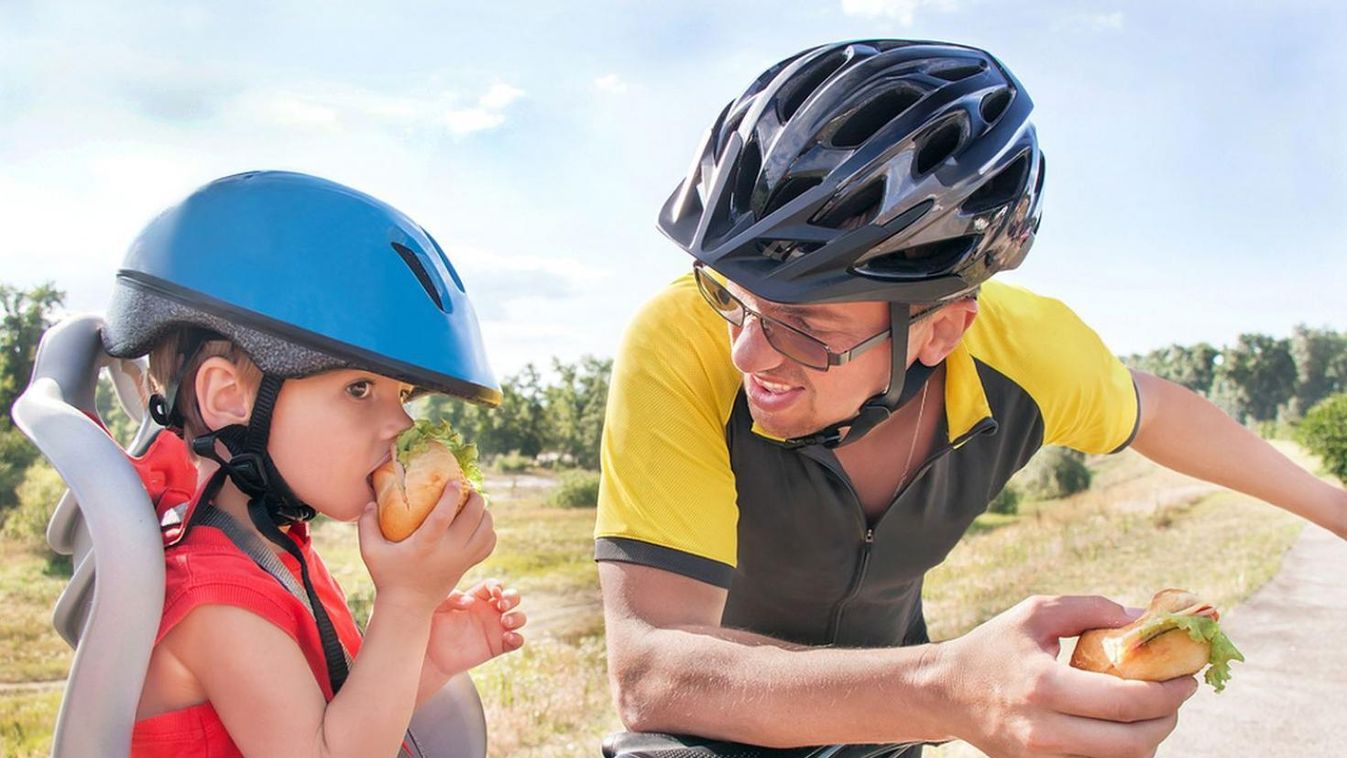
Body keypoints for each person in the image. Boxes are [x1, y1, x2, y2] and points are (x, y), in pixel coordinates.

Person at [594, 40, 1347, 757]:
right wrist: (945, 690)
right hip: (720, 724)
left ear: (941, 329)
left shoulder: (1024, 354)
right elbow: (655, 672)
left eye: (804, 324)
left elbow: (1156, 411)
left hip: (891, 717)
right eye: (734, 298)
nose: (746, 350)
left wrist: (1333, 510)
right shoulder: (679, 338)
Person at [104, 171, 527, 756]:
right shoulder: (216, 597)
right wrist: (404, 604)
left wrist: (427, 659)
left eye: (400, 395)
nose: (401, 426)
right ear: (228, 398)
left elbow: (338, 722)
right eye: (359, 389)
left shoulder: (273, 546)